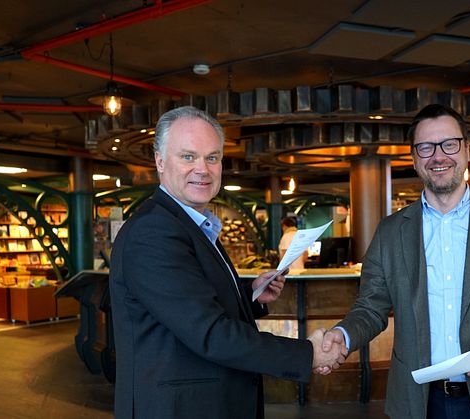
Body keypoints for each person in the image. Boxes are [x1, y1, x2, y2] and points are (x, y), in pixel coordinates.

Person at [318, 104, 470, 419]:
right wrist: (345, 335)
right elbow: (371, 307)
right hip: (418, 402)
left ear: (466, 150)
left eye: (449, 144)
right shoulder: (390, 232)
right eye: (425, 147)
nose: (438, 156)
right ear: (413, 157)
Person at [109, 106, 346, 419]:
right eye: (188, 156)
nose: (203, 169)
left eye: (212, 157)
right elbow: (209, 333)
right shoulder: (154, 232)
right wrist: (308, 354)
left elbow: (193, 306)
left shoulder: (191, 224)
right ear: (160, 161)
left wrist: (248, 295)